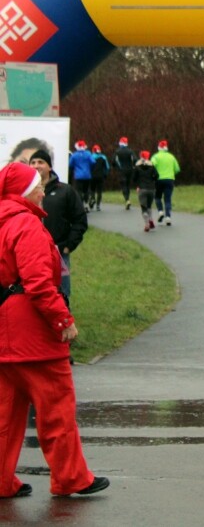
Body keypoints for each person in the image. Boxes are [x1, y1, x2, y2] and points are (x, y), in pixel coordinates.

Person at [0, 161, 109, 498]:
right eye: (36, 186)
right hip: (33, 333)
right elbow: (38, 284)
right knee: (56, 409)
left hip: (4, 330)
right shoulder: (27, 225)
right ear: (24, 192)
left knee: (5, 416)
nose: (42, 191)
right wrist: (64, 320)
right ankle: (71, 477)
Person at [28, 149, 87, 299]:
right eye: (33, 162)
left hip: (59, 253)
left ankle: (65, 321)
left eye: (41, 162)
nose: (36, 165)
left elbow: (80, 219)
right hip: (30, 253)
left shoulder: (65, 191)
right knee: (33, 294)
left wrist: (68, 246)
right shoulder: (24, 192)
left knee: (62, 293)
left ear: (49, 167)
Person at [150, 139, 180, 226]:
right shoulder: (171, 157)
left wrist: (153, 176)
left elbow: (152, 166)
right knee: (167, 199)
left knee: (157, 197)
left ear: (159, 147)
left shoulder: (155, 157)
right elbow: (177, 169)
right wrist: (171, 173)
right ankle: (168, 217)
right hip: (169, 180)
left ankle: (160, 211)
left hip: (158, 180)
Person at [134, 151, 159, 232]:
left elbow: (134, 178)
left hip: (142, 189)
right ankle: (151, 219)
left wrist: (138, 184)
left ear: (141, 156)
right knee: (149, 206)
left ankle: (146, 223)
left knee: (143, 208)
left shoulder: (137, 166)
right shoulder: (152, 166)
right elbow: (157, 176)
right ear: (148, 157)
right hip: (151, 189)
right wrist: (152, 179)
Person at [67, 140, 94, 210]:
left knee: (79, 191)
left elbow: (70, 164)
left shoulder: (74, 155)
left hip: (78, 175)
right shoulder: (88, 154)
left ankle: (80, 205)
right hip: (87, 175)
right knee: (86, 190)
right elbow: (93, 162)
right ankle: (86, 203)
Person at [113, 137, 137, 210]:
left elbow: (113, 161)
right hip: (129, 170)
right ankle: (128, 199)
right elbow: (135, 159)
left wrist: (116, 167)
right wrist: (133, 166)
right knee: (128, 185)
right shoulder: (130, 151)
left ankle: (127, 200)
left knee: (123, 185)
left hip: (121, 170)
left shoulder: (117, 151)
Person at [88, 144, 109, 211]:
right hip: (100, 176)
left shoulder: (91, 157)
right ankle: (98, 205)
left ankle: (93, 198)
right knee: (99, 191)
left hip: (92, 176)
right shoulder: (103, 157)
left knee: (92, 189)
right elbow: (107, 167)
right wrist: (105, 175)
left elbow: (89, 167)